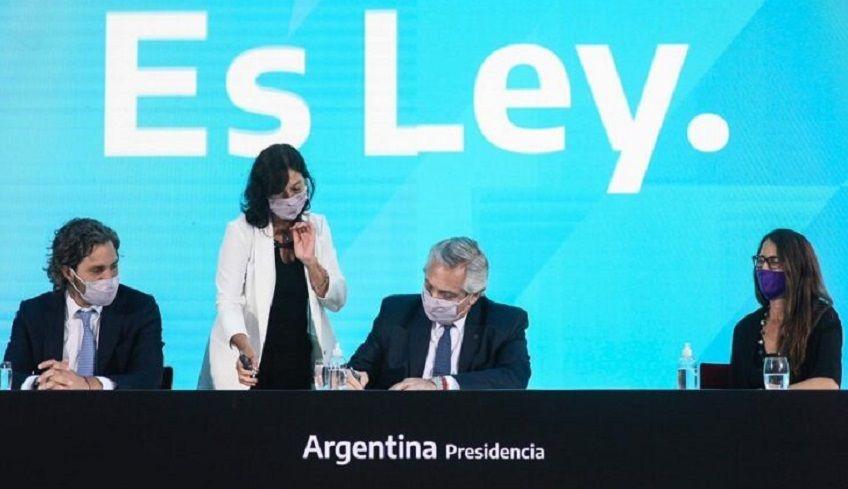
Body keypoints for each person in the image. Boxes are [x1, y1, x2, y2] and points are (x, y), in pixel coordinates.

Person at [198, 143, 346, 390]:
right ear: (264, 195)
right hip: (250, 362)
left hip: (300, 361)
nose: (290, 200)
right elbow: (228, 301)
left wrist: (311, 262)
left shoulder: (317, 226)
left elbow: (337, 300)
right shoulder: (241, 231)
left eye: (296, 189)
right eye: (280, 193)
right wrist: (243, 346)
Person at [348, 237, 530, 390]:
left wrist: (440, 384)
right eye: (429, 287)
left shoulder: (505, 322)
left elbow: (514, 377)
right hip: (400, 419)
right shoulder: (396, 312)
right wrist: (352, 377)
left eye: (447, 295)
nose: (433, 298)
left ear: (474, 296)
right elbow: (359, 367)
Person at [3, 218, 164, 390]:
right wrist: (44, 382)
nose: (109, 277)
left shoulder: (140, 308)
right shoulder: (33, 312)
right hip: (50, 406)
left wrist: (89, 384)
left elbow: (149, 378)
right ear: (68, 273)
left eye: (113, 266)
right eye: (97, 270)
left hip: (116, 408)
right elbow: (9, 375)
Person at [730, 229, 842, 389]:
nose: (764, 268)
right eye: (760, 261)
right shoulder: (745, 329)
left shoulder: (823, 319)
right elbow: (736, 395)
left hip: (806, 407)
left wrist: (771, 399)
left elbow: (828, 383)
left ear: (797, 267)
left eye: (774, 261)